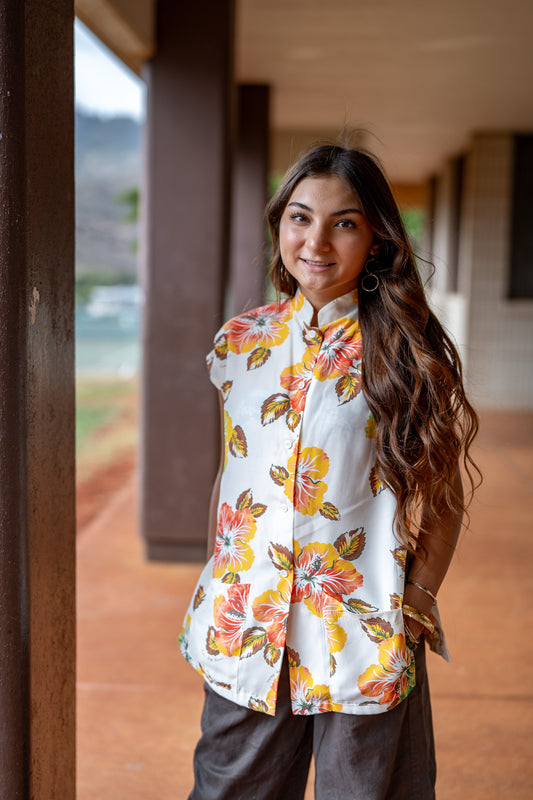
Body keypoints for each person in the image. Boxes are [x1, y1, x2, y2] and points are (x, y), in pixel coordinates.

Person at [179, 143, 479, 800]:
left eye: (343, 222)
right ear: (279, 224)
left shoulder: (403, 350)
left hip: (359, 630)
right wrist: (220, 575)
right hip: (247, 624)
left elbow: (445, 496)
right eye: (299, 216)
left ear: (374, 240)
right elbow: (237, 476)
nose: (315, 240)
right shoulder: (241, 343)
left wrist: (414, 607)